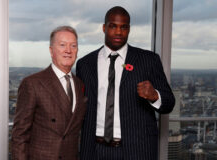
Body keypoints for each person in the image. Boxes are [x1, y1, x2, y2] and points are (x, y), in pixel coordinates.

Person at [76, 6, 175, 160]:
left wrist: (154, 95)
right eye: (113, 26)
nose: (118, 32)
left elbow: (169, 103)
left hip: (137, 150)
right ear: (104, 28)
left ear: (129, 29)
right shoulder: (85, 64)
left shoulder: (148, 60)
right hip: (94, 150)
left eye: (124, 27)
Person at [11, 26, 87, 160]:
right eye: (62, 45)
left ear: (77, 51)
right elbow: (19, 136)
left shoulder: (79, 84)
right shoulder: (33, 83)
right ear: (51, 51)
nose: (68, 50)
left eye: (73, 46)